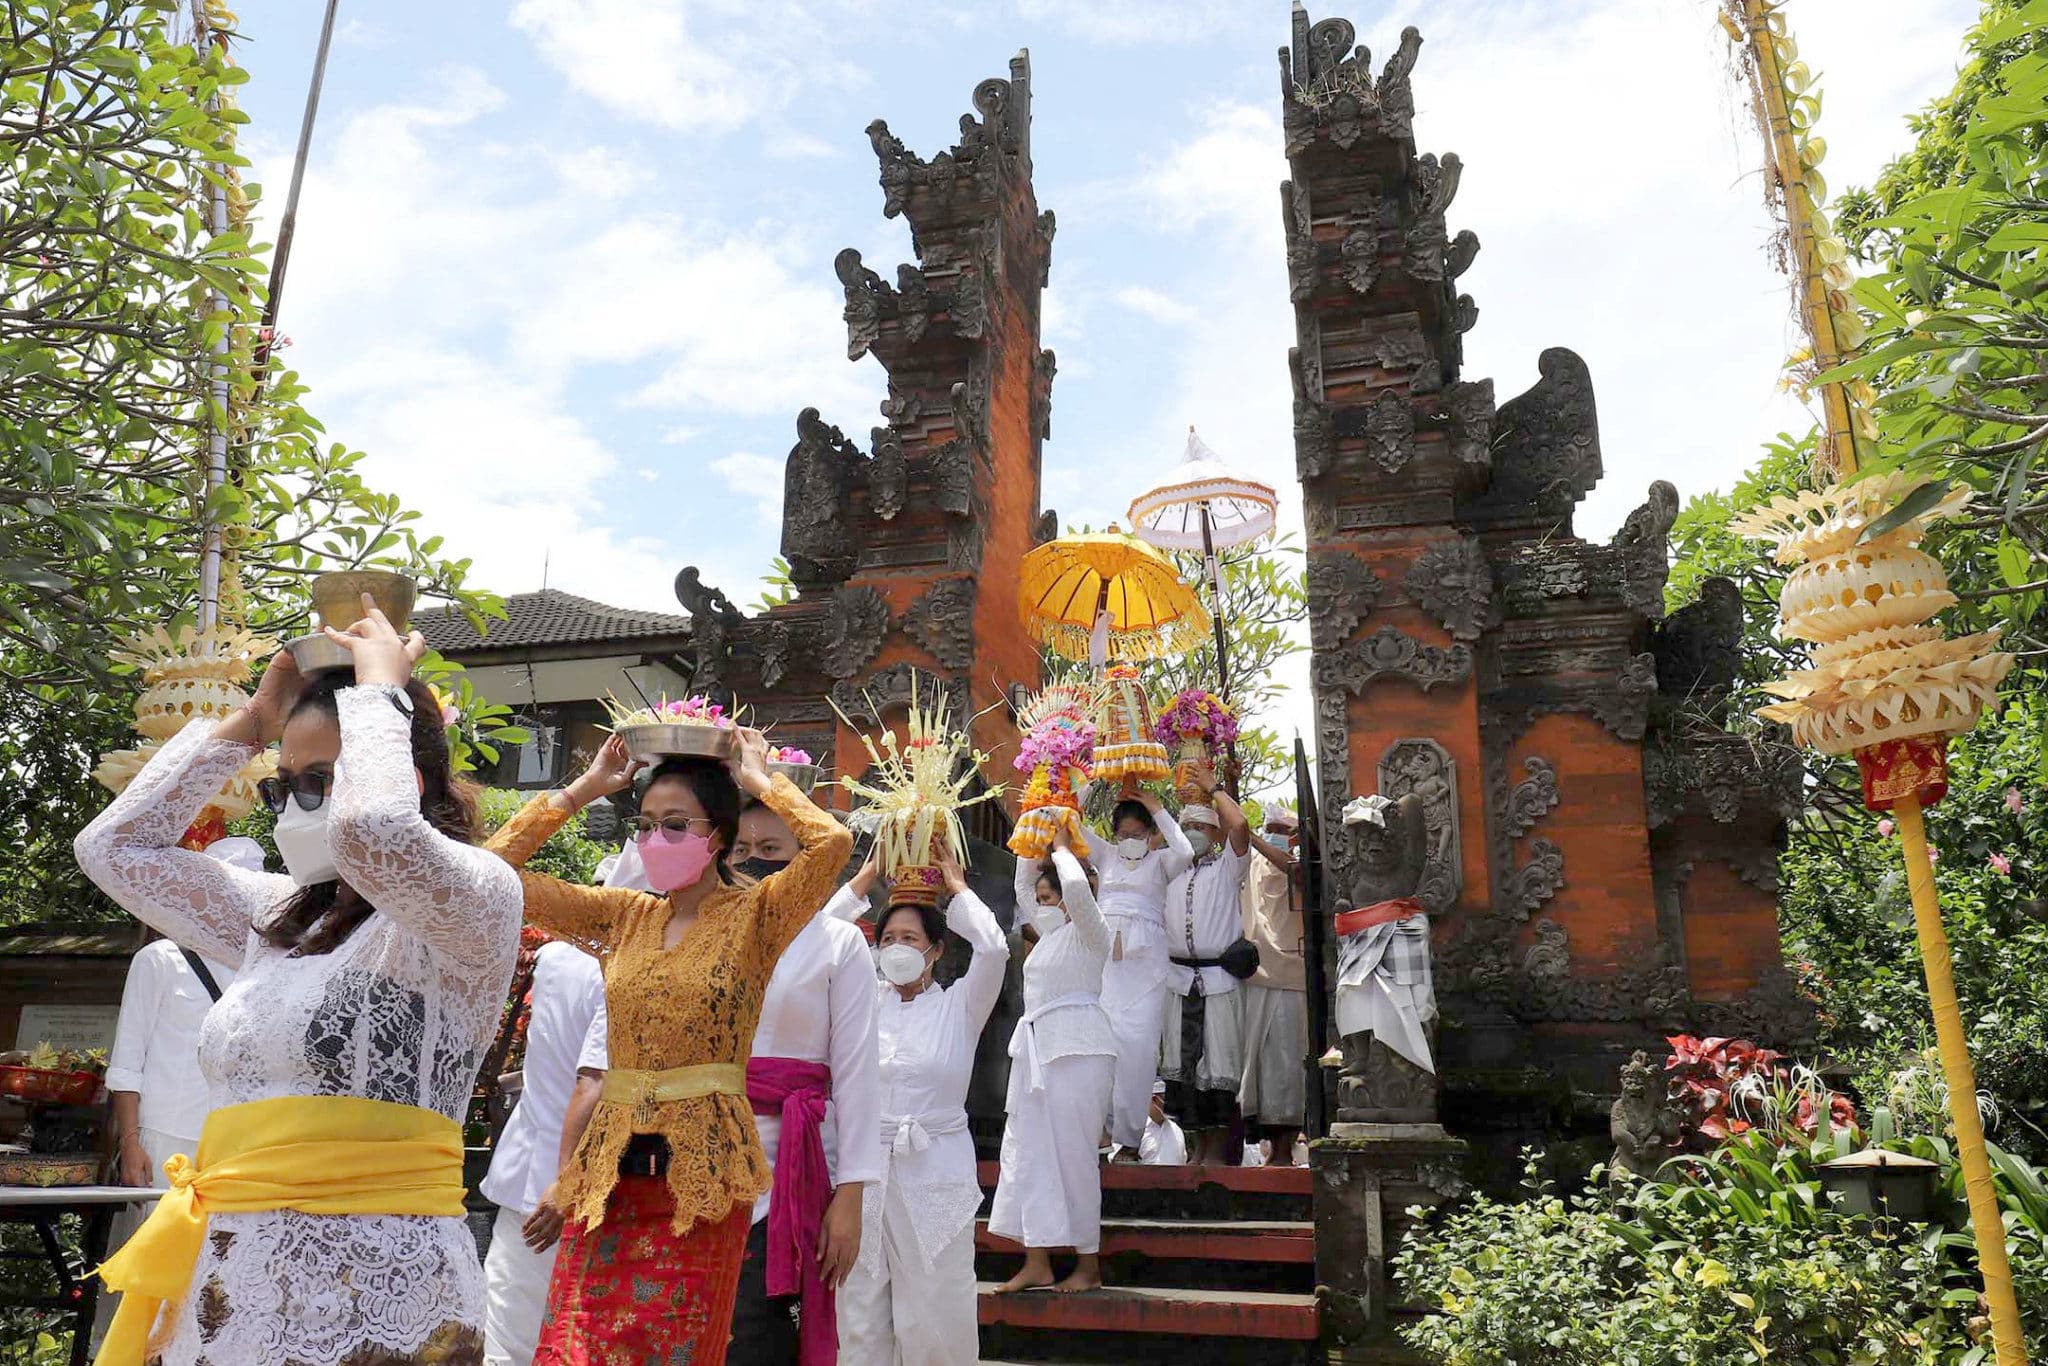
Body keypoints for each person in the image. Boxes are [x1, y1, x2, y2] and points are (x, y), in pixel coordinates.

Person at [73, 598, 522, 1366]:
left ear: (401, 777)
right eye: (283, 786)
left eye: (321, 779)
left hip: (379, 1281)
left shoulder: (475, 900)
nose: (295, 807)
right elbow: (113, 849)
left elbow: (373, 833)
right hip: (229, 1278)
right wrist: (252, 722)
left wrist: (380, 693)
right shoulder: (280, 916)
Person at [482, 727, 851, 1366]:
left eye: (676, 825)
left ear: (719, 837)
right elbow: (491, 872)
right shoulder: (623, 916)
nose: (657, 839)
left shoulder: (756, 917)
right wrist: (585, 789)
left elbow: (832, 843)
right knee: (574, 1351)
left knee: (679, 1352)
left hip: (702, 1183)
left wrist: (761, 779)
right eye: (647, 823)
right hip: (605, 1180)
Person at [828, 848, 1007, 1366]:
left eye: (910, 939)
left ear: (936, 950)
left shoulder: (960, 1006)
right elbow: (816, 935)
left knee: (936, 1305)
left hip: (936, 1171)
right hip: (861, 1170)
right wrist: (865, 878)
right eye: (887, 939)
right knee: (857, 1305)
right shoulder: (861, 998)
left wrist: (956, 886)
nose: (896, 948)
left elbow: (994, 950)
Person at [724, 797, 882, 1366]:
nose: (755, 861)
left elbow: (859, 1074)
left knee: (765, 1339)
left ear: (805, 857)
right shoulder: (703, 934)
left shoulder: (838, 943)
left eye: (771, 850)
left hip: (795, 1171)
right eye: (741, 850)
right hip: (701, 1164)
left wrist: (852, 1195)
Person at [90, 842, 249, 1350]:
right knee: (152, 1271)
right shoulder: (158, 960)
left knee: (217, 1274)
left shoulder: (263, 967)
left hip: (235, 1145)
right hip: (164, 1139)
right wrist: (131, 1142)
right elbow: (127, 1063)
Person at [988, 828, 1114, 1295]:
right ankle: (1037, 1259)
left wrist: (1063, 847)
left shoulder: (1090, 931)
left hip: (1080, 1049)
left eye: (1049, 896)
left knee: (1074, 1156)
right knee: (1028, 1154)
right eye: (1040, 897)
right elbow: (1022, 888)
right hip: (1037, 1051)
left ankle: (1088, 1263)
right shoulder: (1049, 934)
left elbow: (1077, 890)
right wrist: (1031, 831)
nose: (1038, 902)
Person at [480, 933, 607, 1366]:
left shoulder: (553, 956)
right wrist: (568, 1180)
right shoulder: (627, 968)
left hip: (526, 1173)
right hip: (582, 1183)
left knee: (505, 1336)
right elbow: (592, 1082)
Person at [1081, 789, 1193, 1162]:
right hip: (1106, 961)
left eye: (1138, 834)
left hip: (1146, 967)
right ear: (1114, 835)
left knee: (1139, 1049)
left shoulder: (1162, 861)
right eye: (1124, 835)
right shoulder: (1105, 856)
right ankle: (1099, 1132)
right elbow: (1071, 825)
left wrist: (1156, 805)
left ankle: (1129, 1140)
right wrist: (1087, 782)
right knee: (1102, 1044)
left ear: (1150, 834)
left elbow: (1186, 850)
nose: (1130, 842)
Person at [1159, 777, 1253, 1166]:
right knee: (1182, 1071)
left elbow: (1243, 826)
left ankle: (1215, 1153)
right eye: (1187, 828)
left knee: (1218, 1067)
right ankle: (1195, 1151)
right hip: (1178, 981)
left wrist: (1211, 787)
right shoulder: (1168, 870)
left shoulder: (1227, 868)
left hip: (1218, 981)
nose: (1193, 834)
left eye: (1201, 827)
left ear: (1216, 832)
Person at [1239, 810, 1308, 1164]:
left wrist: (1257, 840)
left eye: (1284, 831)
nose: (1276, 836)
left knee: (1285, 1067)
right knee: (1258, 1069)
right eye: (1271, 830)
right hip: (1255, 978)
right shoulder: (1251, 865)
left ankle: (1283, 1151)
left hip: (1292, 979)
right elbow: (1234, 832)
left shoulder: (1298, 866)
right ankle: (1268, 1149)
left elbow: (1298, 872)